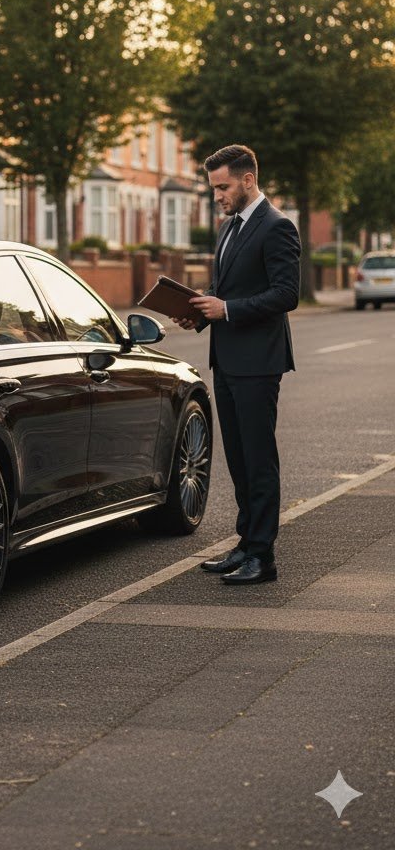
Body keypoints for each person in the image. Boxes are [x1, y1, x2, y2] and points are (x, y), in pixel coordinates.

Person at [174, 144, 300, 584]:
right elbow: (227, 285)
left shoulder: (277, 227)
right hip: (226, 360)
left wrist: (225, 309)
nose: (218, 196)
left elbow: (287, 295)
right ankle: (245, 543)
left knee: (259, 459)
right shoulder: (230, 227)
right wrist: (196, 309)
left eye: (223, 187)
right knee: (240, 460)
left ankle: (262, 557)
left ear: (248, 180)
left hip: (258, 363)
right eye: (213, 188)